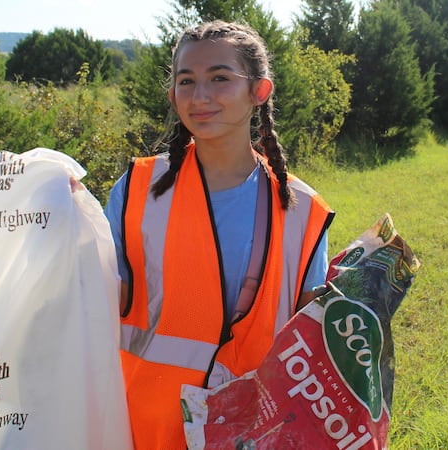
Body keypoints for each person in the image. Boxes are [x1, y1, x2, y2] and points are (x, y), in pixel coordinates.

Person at [104, 20, 334, 449]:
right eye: (186, 81)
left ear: (259, 91)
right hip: (149, 429)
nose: (201, 96)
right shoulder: (136, 190)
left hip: (256, 431)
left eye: (220, 78)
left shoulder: (302, 210)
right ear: (173, 95)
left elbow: (311, 340)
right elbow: (96, 300)